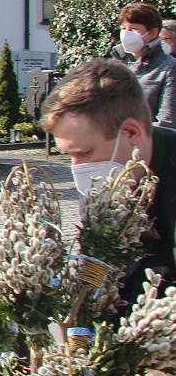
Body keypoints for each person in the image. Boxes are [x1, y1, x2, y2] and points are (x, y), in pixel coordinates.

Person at [43, 57, 176, 307]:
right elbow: (96, 266)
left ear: (131, 133)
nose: (77, 168)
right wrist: (81, 316)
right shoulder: (104, 183)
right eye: (68, 155)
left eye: (85, 153)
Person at [114, 2, 176, 130]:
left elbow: (166, 122)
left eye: (133, 29)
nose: (126, 34)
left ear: (152, 33)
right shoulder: (114, 66)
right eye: (123, 28)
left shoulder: (169, 67)